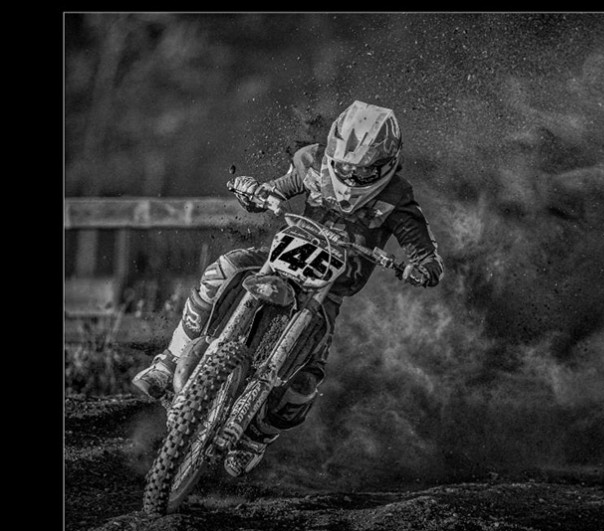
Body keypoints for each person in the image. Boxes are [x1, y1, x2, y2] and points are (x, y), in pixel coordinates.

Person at [131, 100, 444, 477]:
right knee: (224, 268)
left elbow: (423, 250)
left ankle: (257, 436)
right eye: (343, 166)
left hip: (327, 291)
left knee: (308, 376)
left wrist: (421, 267)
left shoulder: (397, 198)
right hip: (282, 258)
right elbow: (277, 189)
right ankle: (169, 361)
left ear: (385, 164)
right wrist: (257, 193)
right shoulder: (312, 162)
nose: (349, 176)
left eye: (361, 172)